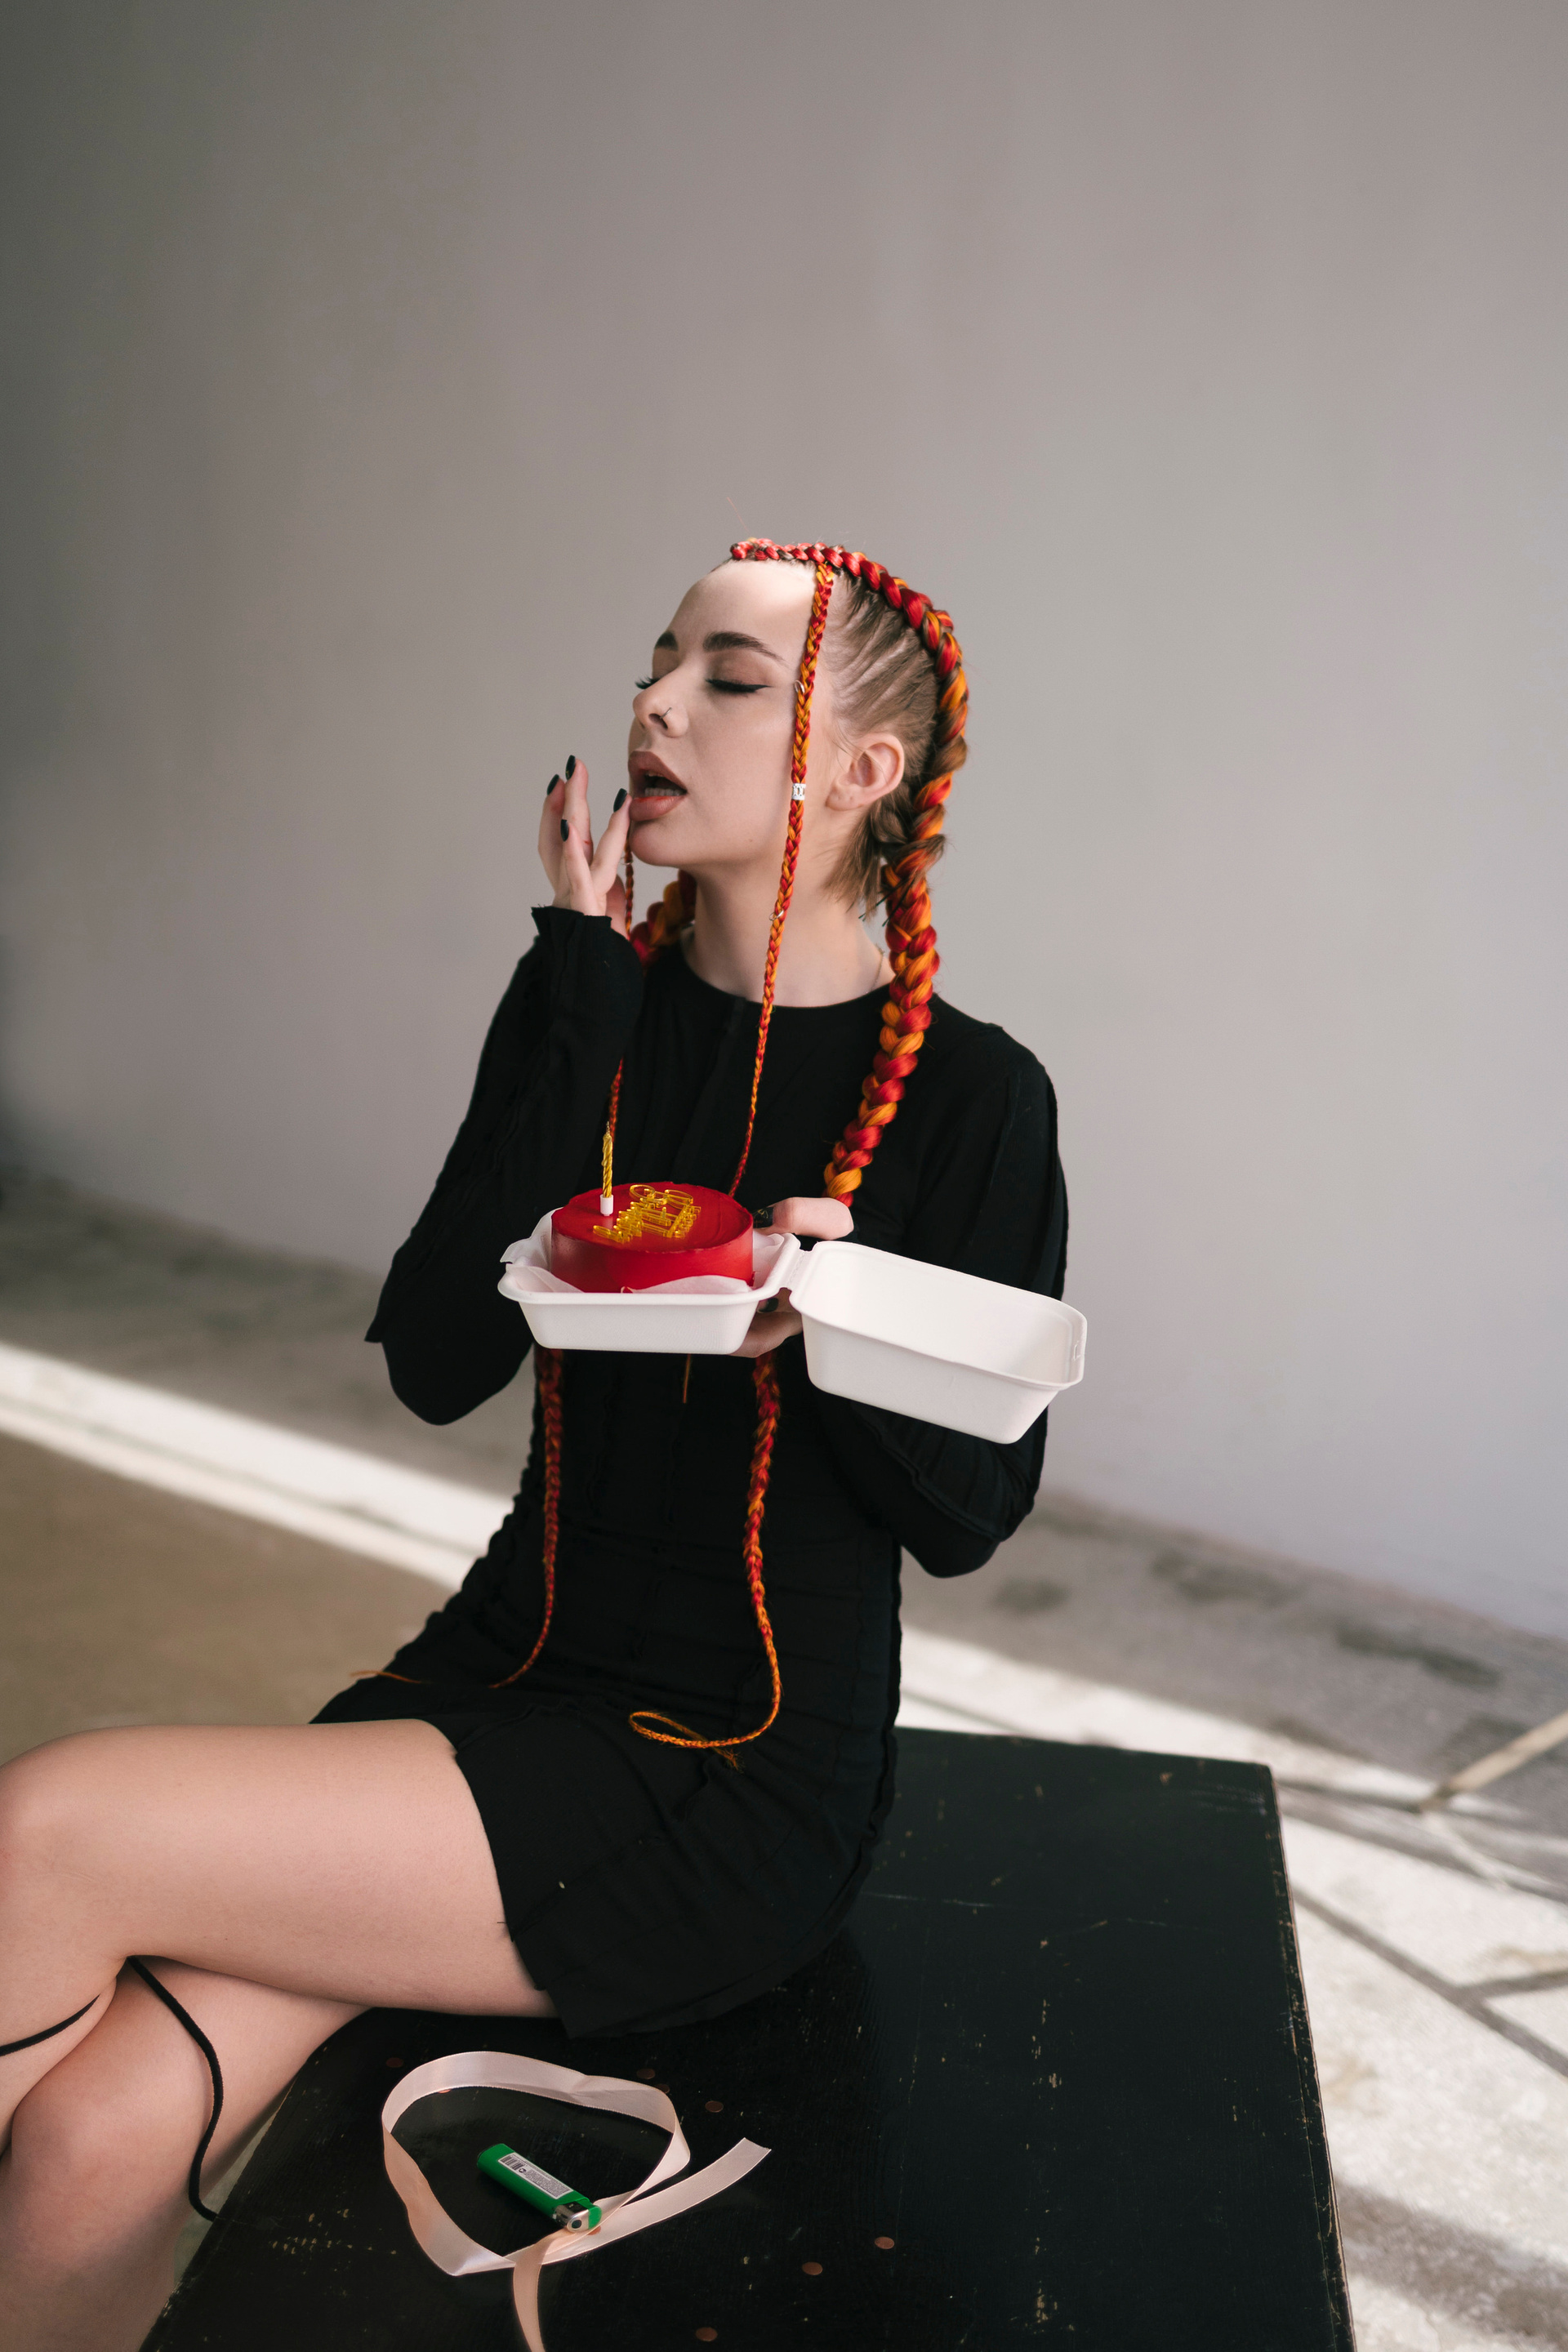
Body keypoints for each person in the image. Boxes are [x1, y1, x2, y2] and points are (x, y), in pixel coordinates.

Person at [0, 541, 1067, 2350]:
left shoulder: (973, 1097)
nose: (656, 703)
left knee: (45, 1827)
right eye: (659, 661)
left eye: (728, 677)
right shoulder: (591, 998)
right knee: (90, 2141)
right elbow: (438, 1362)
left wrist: (840, 1321)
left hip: (727, 1770)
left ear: (862, 770)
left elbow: (976, 1514)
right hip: (495, 1677)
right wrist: (575, 984)